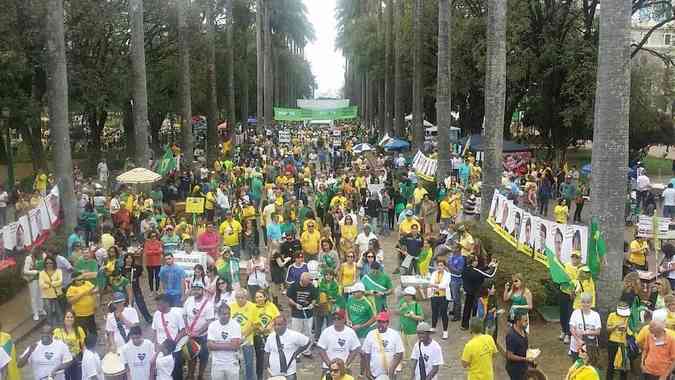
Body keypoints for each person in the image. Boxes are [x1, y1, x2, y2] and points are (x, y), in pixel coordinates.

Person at [182, 281, 214, 380]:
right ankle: (190, 375)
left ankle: (200, 375)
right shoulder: (189, 300)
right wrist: (187, 328)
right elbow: (184, 315)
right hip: (190, 335)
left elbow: (209, 321)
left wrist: (198, 332)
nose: (196, 291)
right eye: (194, 289)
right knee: (191, 356)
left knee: (203, 357)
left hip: (203, 336)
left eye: (198, 289)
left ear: (203, 290)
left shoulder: (208, 304)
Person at [264, 315, 311, 379]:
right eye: (275, 325)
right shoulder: (270, 336)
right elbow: (267, 352)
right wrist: (266, 368)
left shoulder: (293, 335)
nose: (276, 327)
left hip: (289, 373)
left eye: (279, 325)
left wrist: (297, 352)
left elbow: (307, 341)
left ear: (285, 324)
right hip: (273, 373)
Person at [151, 294, 186, 380]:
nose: (157, 306)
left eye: (159, 304)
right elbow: (155, 330)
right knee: (161, 372)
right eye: (157, 304)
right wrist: (155, 344)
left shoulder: (176, 314)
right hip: (161, 349)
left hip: (175, 349)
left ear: (167, 303)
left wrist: (173, 343)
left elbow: (183, 331)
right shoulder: (157, 314)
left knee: (176, 372)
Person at [362, 311, 404, 380]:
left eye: (383, 322)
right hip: (374, 372)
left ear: (388, 323)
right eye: (379, 321)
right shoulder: (371, 334)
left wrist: (392, 369)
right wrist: (368, 370)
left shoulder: (394, 334)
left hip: (390, 373)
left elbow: (399, 353)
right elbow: (367, 353)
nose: (380, 324)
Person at [317, 310, 361, 374]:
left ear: (344, 320)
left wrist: (346, 364)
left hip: (345, 368)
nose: (336, 320)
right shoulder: (326, 332)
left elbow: (356, 349)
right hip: (328, 367)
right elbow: (321, 349)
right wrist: (329, 364)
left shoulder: (350, 332)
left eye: (339, 318)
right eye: (334, 318)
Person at [206, 303, 242, 380]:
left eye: (229, 313)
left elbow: (235, 346)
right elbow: (209, 345)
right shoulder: (212, 325)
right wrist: (229, 344)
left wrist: (217, 344)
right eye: (224, 314)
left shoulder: (235, 325)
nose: (227, 316)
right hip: (217, 364)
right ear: (218, 314)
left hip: (232, 363)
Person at [287, 272, 318, 357]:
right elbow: (289, 298)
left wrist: (312, 304)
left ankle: (306, 350)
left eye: (309, 281)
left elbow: (315, 297)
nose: (309, 282)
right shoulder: (294, 286)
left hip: (308, 313)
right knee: (296, 332)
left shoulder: (311, 287)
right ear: (302, 280)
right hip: (296, 313)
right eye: (307, 281)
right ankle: (296, 353)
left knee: (307, 332)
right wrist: (296, 304)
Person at [461, 255, 498, 329]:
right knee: (476, 310)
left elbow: (479, 270)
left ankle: (464, 325)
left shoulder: (465, 269)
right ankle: (475, 327)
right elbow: (490, 275)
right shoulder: (476, 272)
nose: (477, 262)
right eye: (476, 260)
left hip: (468, 292)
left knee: (467, 308)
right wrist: (495, 267)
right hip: (476, 293)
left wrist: (488, 266)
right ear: (473, 262)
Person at [252, 289, 280, 379]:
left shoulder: (271, 306)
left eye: (260, 296)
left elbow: (277, 317)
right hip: (258, 336)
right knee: (260, 358)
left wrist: (270, 325)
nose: (259, 299)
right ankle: (259, 377)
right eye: (257, 297)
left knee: (271, 357)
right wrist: (260, 328)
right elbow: (252, 321)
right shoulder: (253, 307)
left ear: (265, 297)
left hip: (270, 335)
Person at [229, 288, 257, 380]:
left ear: (246, 297)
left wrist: (243, 336)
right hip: (233, 340)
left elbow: (254, 325)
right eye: (237, 297)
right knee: (234, 364)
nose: (239, 300)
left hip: (247, 341)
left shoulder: (253, 307)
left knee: (248, 364)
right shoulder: (231, 306)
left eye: (242, 297)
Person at [53, 309, 86, 380]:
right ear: (64, 318)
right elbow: (54, 347)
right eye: (67, 317)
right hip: (63, 361)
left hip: (76, 359)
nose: (69, 319)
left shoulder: (79, 330)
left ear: (74, 319)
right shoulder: (57, 331)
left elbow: (83, 346)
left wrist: (85, 358)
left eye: (71, 317)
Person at [569, 293, 601, 361]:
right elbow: (571, 328)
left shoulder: (595, 315)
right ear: (580, 302)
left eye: (588, 302)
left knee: (589, 366)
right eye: (583, 302)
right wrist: (578, 340)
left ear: (591, 303)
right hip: (576, 346)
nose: (585, 304)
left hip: (589, 346)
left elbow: (598, 332)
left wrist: (585, 332)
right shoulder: (575, 313)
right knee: (576, 366)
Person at [505, 310, 534, 380]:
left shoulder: (523, 330)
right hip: (515, 369)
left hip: (523, 366)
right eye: (525, 321)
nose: (527, 323)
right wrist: (525, 359)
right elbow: (509, 355)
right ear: (518, 322)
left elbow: (524, 345)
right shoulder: (511, 335)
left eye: (527, 321)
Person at [605, 302, 630, 380]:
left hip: (623, 343)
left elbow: (632, 329)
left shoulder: (629, 317)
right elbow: (607, 329)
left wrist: (626, 329)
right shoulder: (612, 315)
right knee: (611, 363)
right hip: (613, 341)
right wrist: (615, 327)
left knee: (624, 364)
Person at [428, 257, 451, 339]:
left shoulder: (448, 275)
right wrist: (436, 285)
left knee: (444, 313)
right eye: (438, 265)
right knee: (434, 312)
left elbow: (444, 285)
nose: (439, 267)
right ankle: (433, 327)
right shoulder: (434, 273)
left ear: (444, 266)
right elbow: (430, 282)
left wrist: (435, 285)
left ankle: (445, 331)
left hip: (443, 296)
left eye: (441, 265)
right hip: (434, 295)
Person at [39, 256, 64, 327]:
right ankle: (51, 327)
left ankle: (61, 327)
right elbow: (41, 284)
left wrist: (50, 283)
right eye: (47, 263)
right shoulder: (42, 273)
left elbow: (60, 281)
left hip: (57, 295)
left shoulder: (58, 271)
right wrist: (50, 285)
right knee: (49, 312)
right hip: (46, 295)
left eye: (51, 263)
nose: (49, 264)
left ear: (54, 263)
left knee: (59, 312)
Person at [23, 248, 45, 321]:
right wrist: (35, 272)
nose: (41, 255)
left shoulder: (43, 255)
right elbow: (25, 271)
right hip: (33, 280)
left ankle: (41, 310)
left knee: (41, 295)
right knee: (34, 297)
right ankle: (35, 313)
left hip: (41, 278)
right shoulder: (29, 258)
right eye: (39, 253)